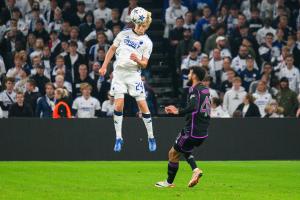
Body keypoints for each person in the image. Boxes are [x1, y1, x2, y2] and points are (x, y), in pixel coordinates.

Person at [99, 7, 156, 152]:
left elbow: (145, 63)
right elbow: (112, 49)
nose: (142, 28)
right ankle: (119, 138)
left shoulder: (147, 42)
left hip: (133, 74)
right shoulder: (123, 34)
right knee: (118, 106)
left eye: (145, 26)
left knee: (143, 106)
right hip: (118, 74)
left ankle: (151, 136)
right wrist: (104, 66)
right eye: (141, 25)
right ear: (135, 23)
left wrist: (137, 59)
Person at [155, 66, 209, 188]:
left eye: (190, 72)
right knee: (184, 149)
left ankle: (168, 183)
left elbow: (194, 107)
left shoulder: (194, 89)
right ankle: (195, 170)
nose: (189, 74)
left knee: (173, 153)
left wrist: (177, 111)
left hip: (192, 130)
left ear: (194, 75)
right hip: (202, 130)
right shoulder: (205, 90)